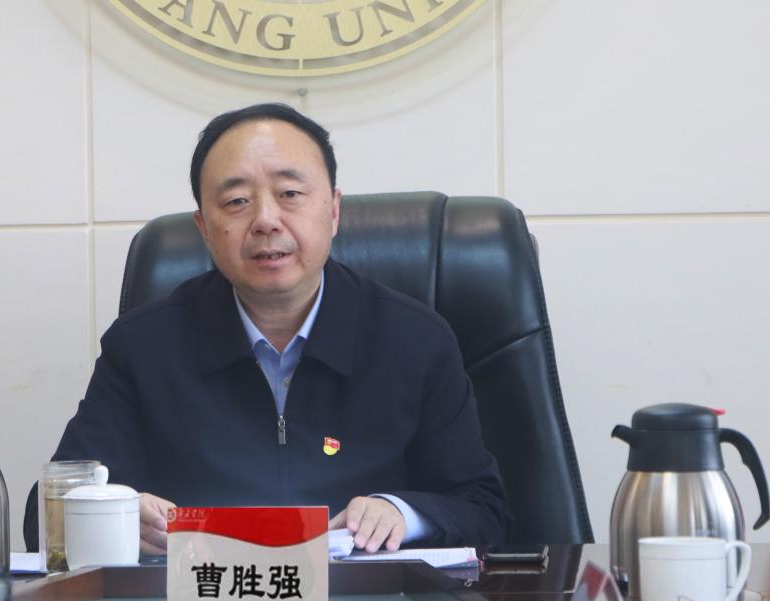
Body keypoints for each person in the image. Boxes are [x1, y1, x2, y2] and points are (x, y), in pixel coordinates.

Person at [41, 103, 511, 555]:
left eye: (290, 194)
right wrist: (117, 513)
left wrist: (402, 514)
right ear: (205, 229)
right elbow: (46, 517)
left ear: (333, 211)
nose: (266, 220)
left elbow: (484, 512)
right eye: (237, 201)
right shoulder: (143, 347)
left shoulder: (415, 340)